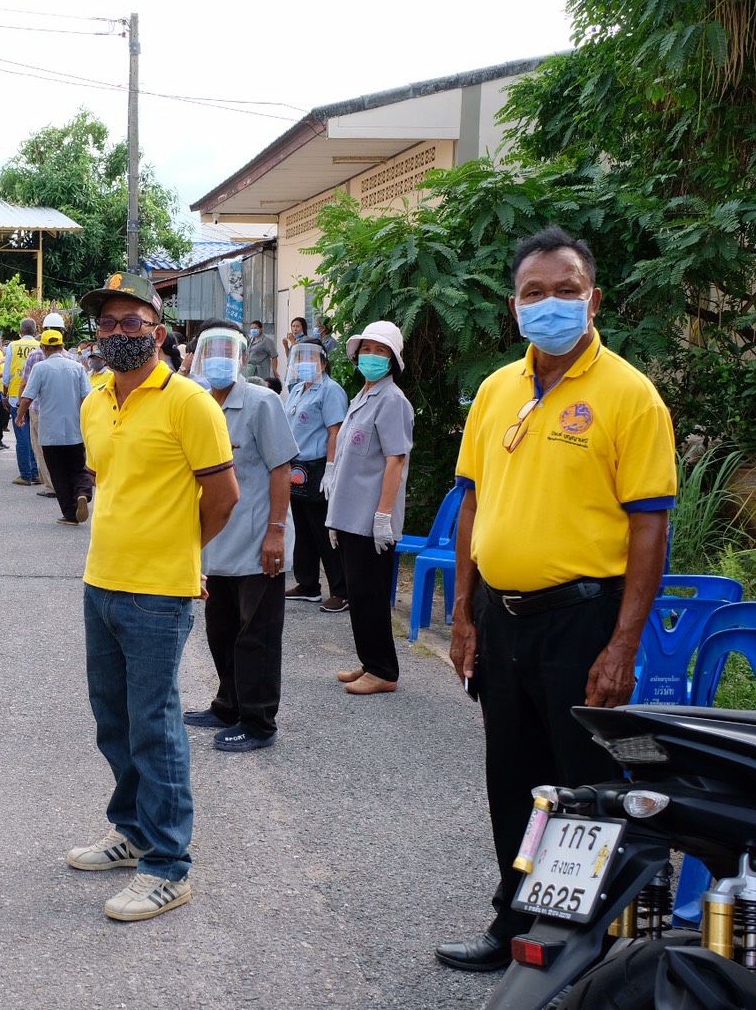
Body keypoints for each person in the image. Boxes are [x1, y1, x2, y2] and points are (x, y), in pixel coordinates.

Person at [435, 227, 676, 971]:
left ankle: (589, 949)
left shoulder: (629, 395)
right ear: (515, 307)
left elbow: (650, 526)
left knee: (588, 788)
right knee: (512, 780)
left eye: (565, 290)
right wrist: (464, 613)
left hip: (583, 619)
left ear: (593, 298)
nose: (550, 304)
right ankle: (517, 927)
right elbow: (473, 506)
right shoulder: (499, 391)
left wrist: (623, 644)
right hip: (503, 622)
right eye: (534, 293)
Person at [65, 271, 239, 922]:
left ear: (159, 332)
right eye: (106, 324)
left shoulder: (191, 402)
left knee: (155, 725)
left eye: (131, 322)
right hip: (101, 581)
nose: (117, 334)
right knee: (113, 718)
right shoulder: (94, 398)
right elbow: (110, 485)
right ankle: (133, 830)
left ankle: (168, 866)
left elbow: (223, 498)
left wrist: (179, 552)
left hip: (158, 592)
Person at [181, 321, 297, 752]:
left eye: (226, 352)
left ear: (244, 360)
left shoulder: (262, 402)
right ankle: (228, 704)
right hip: (217, 541)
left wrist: (276, 533)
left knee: (257, 633)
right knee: (222, 627)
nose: (218, 360)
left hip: (257, 539)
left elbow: (281, 468)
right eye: (209, 351)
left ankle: (258, 720)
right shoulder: (197, 404)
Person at [325, 322, 414, 696]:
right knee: (359, 595)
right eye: (367, 349)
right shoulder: (361, 396)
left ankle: (383, 670)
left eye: (381, 351)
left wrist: (383, 516)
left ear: (393, 360)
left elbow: (395, 461)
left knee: (371, 594)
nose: (372, 357)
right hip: (349, 514)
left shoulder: (393, 401)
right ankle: (369, 660)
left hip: (370, 518)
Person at [281, 339, 350, 611]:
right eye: (301, 359)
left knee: (323, 529)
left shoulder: (330, 391)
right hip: (297, 467)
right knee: (302, 528)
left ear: (323, 362)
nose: (305, 364)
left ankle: (341, 590)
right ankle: (308, 584)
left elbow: (335, 431)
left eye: (311, 359)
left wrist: (331, 470)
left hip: (319, 466)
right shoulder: (298, 389)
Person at [18, 328, 92, 525]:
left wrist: (19, 416)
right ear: (62, 346)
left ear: (43, 347)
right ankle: (83, 492)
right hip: (74, 430)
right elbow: (87, 397)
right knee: (78, 467)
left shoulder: (40, 368)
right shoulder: (77, 367)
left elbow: (27, 396)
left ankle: (70, 514)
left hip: (50, 432)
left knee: (58, 473)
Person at [20, 311, 66, 496]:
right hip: (63, 411)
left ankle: (50, 486)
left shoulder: (34, 357)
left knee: (41, 449)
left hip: (39, 410)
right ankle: (63, 483)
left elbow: (26, 385)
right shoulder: (72, 359)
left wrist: (20, 411)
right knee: (62, 449)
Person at [3, 318, 43, 486]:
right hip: (36, 398)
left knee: (22, 437)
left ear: (20, 331)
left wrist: (4, 394)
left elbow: (6, 373)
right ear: (35, 331)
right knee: (34, 437)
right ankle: (35, 473)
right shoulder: (41, 347)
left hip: (16, 396)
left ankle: (25, 474)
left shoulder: (13, 346)